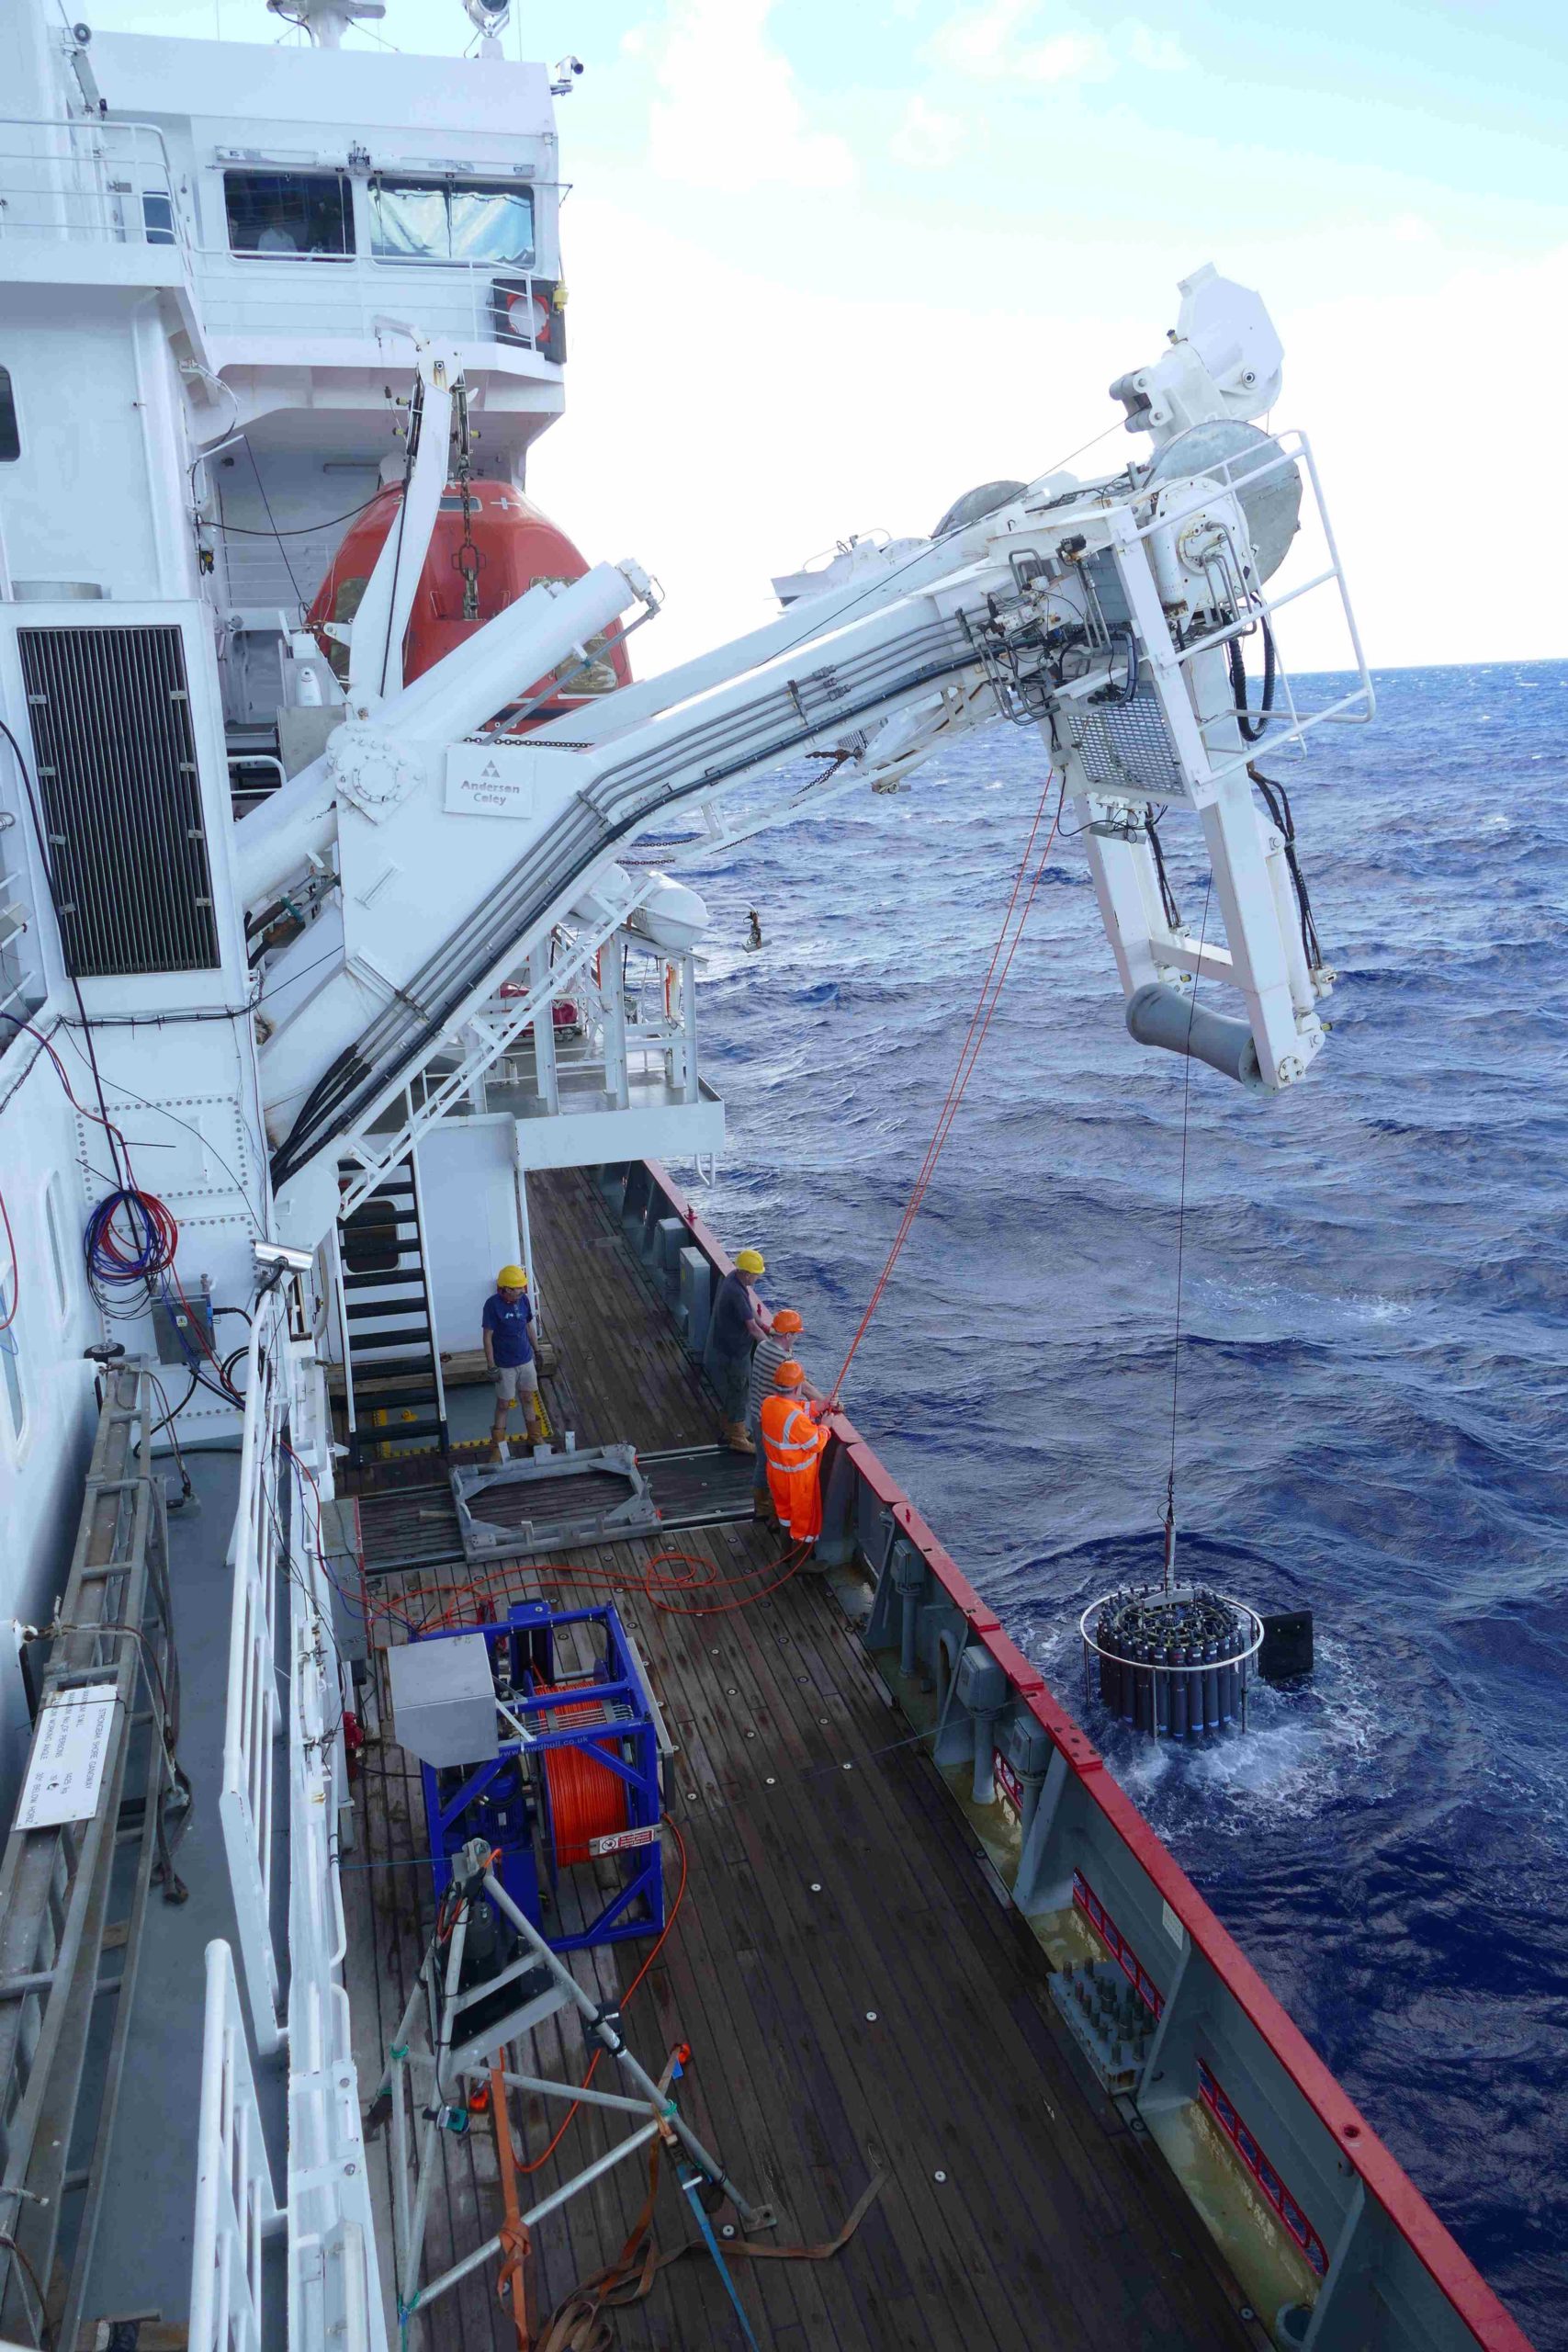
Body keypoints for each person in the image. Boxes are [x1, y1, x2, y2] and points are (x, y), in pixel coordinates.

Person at [747, 1307, 820, 1520]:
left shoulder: (762, 1346)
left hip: (758, 1413)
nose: (796, 1338)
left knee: (763, 1462)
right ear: (788, 1335)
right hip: (770, 1421)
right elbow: (804, 1387)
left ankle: (762, 1506)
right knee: (770, 1466)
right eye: (796, 1334)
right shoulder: (783, 1360)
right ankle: (768, 1510)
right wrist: (828, 1402)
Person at [704, 1246, 771, 1452]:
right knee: (740, 1390)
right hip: (735, 1352)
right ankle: (738, 1437)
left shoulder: (734, 1278)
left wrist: (765, 1326)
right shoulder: (736, 1292)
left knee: (735, 1388)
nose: (757, 1278)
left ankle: (728, 1424)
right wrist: (770, 1348)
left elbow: (750, 1312)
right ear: (747, 1274)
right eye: (756, 1275)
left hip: (726, 1345)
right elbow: (751, 1327)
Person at [760, 1359, 830, 1550]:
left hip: (776, 1474)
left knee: (785, 1515)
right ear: (798, 1388)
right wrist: (825, 1426)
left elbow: (793, 1408)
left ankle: (784, 1553)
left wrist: (819, 1406)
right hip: (798, 1480)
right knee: (804, 1521)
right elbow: (816, 1444)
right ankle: (801, 1562)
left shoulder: (769, 1403)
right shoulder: (797, 1420)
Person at [482, 1262, 545, 1461]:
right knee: (503, 1404)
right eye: (517, 1288)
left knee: (527, 1397)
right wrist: (491, 1365)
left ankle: (534, 1438)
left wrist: (537, 1350)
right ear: (506, 1289)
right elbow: (487, 1337)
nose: (521, 1291)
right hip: (505, 1364)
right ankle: (498, 1448)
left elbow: (528, 1326)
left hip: (525, 1360)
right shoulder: (492, 1305)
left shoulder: (523, 1300)